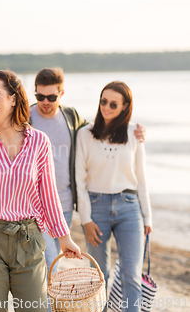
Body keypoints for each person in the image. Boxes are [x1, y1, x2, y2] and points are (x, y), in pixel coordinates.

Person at [0, 70, 82, 312]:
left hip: (29, 240)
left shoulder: (39, 142)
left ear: (13, 99)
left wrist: (64, 237)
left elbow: (48, 195)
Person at [30, 68, 145, 276]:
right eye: (40, 96)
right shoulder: (25, 118)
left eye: (51, 97)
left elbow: (100, 132)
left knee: (54, 263)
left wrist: (135, 131)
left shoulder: (71, 117)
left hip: (63, 205)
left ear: (61, 94)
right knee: (47, 262)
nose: (45, 101)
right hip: (34, 205)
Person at [75, 81, 152, 312]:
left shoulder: (134, 133)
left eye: (113, 103)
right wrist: (85, 219)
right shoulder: (84, 134)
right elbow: (79, 180)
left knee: (131, 275)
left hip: (129, 208)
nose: (106, 107)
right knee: (98, 277)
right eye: (103, 101)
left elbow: (141, 177)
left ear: (124, 106)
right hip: (96, 208)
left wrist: (148, 217)